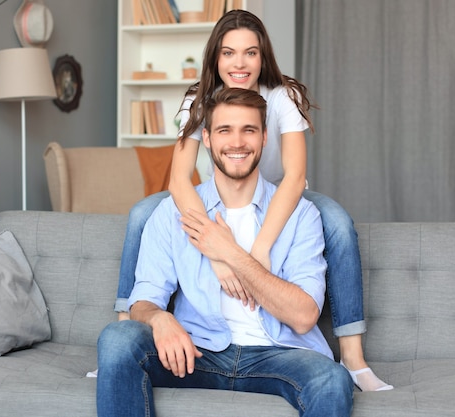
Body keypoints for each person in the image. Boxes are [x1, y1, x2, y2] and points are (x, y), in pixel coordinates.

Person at [115, 9, 392, 392]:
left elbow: (294, 176)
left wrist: (258, 251)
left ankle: (353, 356)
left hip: (280, 190)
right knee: (143, 213)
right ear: (215, 57)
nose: (239, 63)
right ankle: (124, 327)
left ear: (263, 58)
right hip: (221, 188)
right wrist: (217, 252)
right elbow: (179, 178)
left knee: (339, 222)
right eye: (228, 53)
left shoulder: (282, 97)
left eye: (251, 52)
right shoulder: (199, 98)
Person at [97, 88, 353, 417]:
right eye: (224, 130)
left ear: (264, 138)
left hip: (280, 355)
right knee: (118, 339)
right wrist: (159, 318)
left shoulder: (301, 215)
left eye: (249, 130)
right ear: (206, 138)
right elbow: (145, 299)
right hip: (199, 353)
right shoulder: (171, 213)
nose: (237, 142)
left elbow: (304, 317)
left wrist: (230, 252)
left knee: (332, 379)